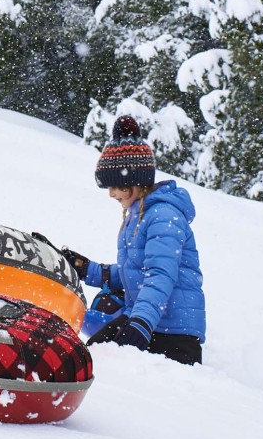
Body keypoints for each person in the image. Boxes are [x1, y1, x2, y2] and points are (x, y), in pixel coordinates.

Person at [60, 115, 206, 365]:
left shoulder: (163, 216)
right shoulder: (139, 213)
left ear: (135, 181)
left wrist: (140, 323)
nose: (111, 193)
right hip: (149, 320)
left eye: (116, 185)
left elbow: (160, 276)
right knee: (85, 356)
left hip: (172, 333)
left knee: (94, 363)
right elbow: (135, 272)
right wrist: (89, 270)